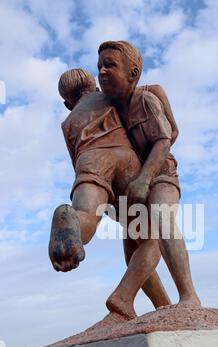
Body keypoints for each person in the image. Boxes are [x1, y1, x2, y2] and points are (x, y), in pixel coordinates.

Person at [49, 68, 171, 323]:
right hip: (125, 160)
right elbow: (152, 91)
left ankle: (72, 219)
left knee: (86, 215)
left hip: (89, 163)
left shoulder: (68, 122)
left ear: (67, 102)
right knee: (150, 241)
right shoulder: (109, 96)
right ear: (93, 84)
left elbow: (75, 158)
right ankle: (127, 299)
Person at [98, 41, 201, 307]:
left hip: (161, 174)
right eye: (99, 66)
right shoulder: (109, 110)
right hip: (134, 183)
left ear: (133, 73)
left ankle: (189, 295)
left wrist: (145, 178)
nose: (102, 71)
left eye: (110, 65)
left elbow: (164, 141)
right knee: (133, 246)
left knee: (160, 215)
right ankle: (162, 306)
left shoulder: (145, 100)